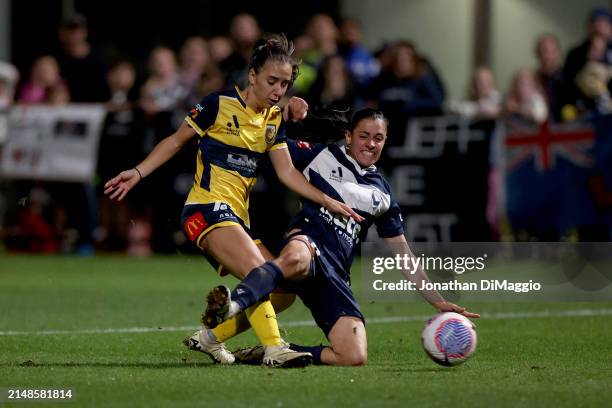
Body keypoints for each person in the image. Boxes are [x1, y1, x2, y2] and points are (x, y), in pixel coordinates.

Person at [104, 33, 360, 368]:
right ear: (252, 75)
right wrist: (138, 172)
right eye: (272, 81)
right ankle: (275, 348)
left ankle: (210, 338)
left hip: (237, 219)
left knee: (281, 290)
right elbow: (176, 141)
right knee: (258, 272)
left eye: (284, 85)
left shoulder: (272, 120)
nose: (278, 91)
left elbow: (286, 173)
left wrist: (327, 200)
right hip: (205, 210)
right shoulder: (216, 104)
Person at [201, 108, 480, 366]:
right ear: (348, 136)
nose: (371, 144)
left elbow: (402, 253)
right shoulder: (321, 155)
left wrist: (436, 300)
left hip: (335, 274)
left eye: (378, 138)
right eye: (364, 136)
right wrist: (284, 113)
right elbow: (273, 142)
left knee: (354, 355)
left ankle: (270, 350)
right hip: (308, 241)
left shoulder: (382, 194)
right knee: (296, 256)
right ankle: (233, 303)